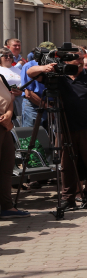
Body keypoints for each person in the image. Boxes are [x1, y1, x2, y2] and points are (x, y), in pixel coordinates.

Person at [26, 47, 87, 211]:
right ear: (66, 60)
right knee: (66, 165)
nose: (80, 61)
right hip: (64, 127)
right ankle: (68, 199)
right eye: (76, 58)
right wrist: (44, 68)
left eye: (81, 58)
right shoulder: (58, 75)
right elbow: (30, 72)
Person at [0, 73, 28, 219]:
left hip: (5, 127)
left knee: (6, 167)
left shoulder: (1, 77)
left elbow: (10, 98)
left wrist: (9, 114)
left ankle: (6, 206)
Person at [20, 42, 53, 128]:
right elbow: (28, 93)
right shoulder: (29, 66)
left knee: (48, 137)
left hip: (51, 106)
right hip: (33, 107)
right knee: (31, 136)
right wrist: (47, 107)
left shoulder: (53, 65)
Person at [0, 49, 23, 120]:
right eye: (5, 56)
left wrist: (21, 91)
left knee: (20, 121)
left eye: (10, 56)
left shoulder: (18, 70)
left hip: (19, 100)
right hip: (6, 101)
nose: (8, 58)